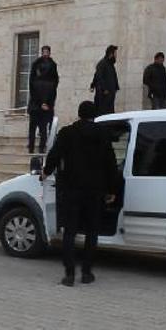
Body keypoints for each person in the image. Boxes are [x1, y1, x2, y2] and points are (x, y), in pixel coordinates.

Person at [42, 101, 118, 287]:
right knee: (92, 232)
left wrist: (45, 171)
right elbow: (111, 163)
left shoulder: (67, 133)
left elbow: (55, 154)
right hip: (94, 191)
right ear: (94, 115)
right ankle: (86, 272)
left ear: (78, 114)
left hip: (71, 189)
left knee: (70, 232)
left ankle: (69, 274)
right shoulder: (102, 134)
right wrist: (112, 189)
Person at [27, 45, 60, 154]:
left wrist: (48, 104)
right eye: (44, 51)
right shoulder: (36, 67)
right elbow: (32, 89)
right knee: (33, 127)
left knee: (43, 128)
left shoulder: (52, 74)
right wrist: (41, 103)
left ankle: (41, 147)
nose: (45, 53)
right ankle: (31, 147)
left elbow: (54, 87)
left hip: (45, 105)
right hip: (36, 105)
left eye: (47, 51)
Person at [92, 45, 120, 116]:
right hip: (103, 95)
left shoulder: (110, 65)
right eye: (115, 54)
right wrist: (104, 89)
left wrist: (116, 87)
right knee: (103, 113)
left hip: (110, 94)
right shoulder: (102, 63)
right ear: (111, 54)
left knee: (110, 113)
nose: (116, 56)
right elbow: (98, 76)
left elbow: (114, 77)